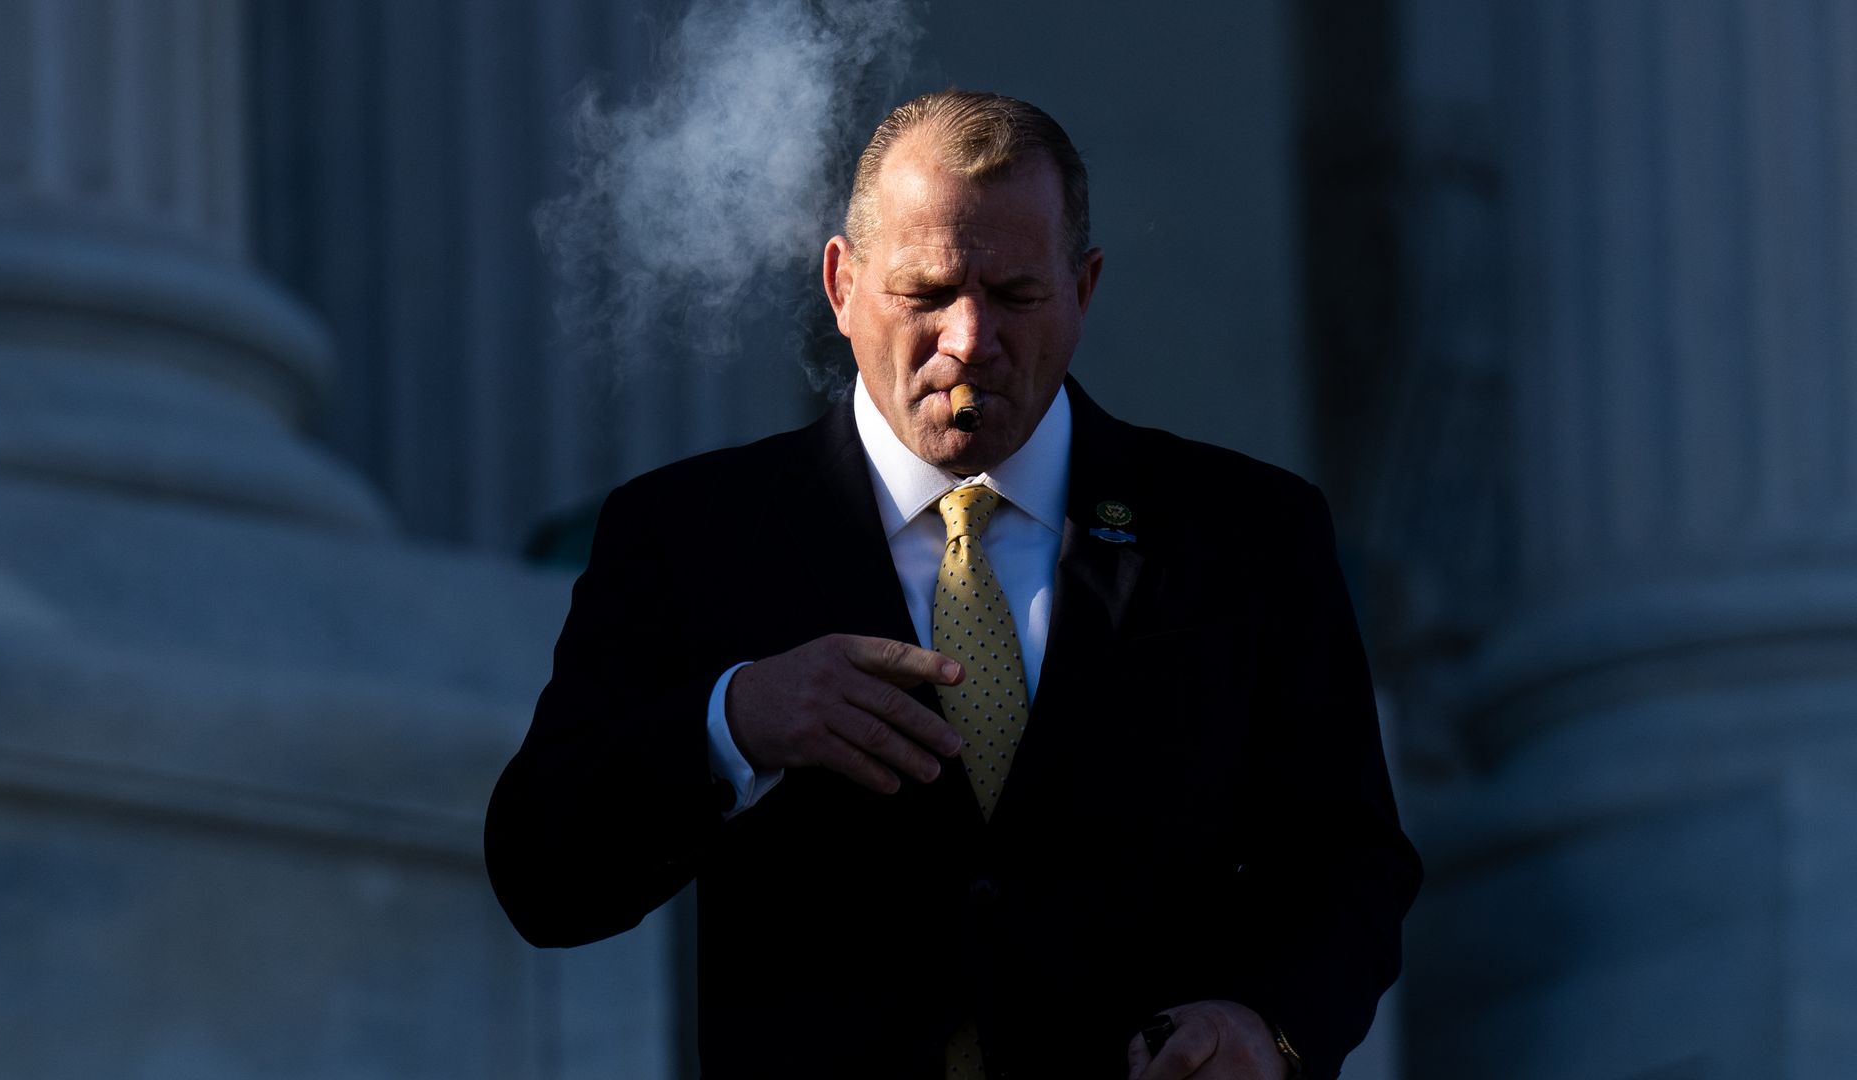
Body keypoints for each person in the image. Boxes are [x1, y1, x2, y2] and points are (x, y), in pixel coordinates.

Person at [486, 89, 1421, 1080]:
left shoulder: (1245, 536)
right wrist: (734, 721)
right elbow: (542, 872)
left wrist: (1263, 1025)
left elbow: (1348, 863)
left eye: (1016, 295)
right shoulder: (690, 535)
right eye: (927, 293)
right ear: (842, 286)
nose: (971, 338)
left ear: (1084, 289)